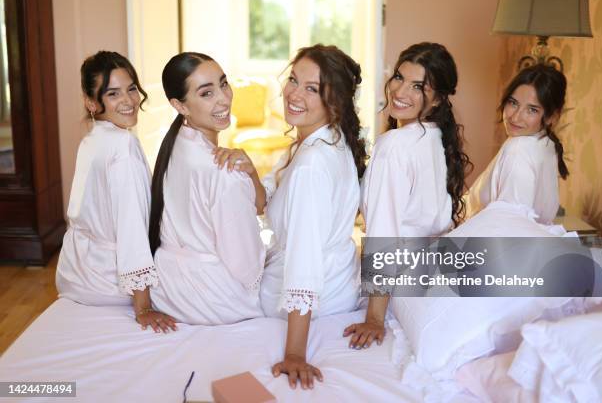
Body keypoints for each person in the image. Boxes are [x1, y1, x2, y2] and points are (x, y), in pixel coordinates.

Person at [215, 44, 366, 389]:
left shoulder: (311, 166)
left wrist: (295, 353)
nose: (294, 94)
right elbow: (266, 201)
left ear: (335, 101)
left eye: (312, 89)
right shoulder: (323, 140)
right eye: (294, 80)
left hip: (310, 294)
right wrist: (251, 172)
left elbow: (304, 257)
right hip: (339, 281)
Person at [343, 42, 471, 349]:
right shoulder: (436, 137)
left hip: (403, 284)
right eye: (399, 78)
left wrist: (374, 317)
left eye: (418, 87)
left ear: (438, 98)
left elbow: (384, 234)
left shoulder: (395, 145)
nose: (400, 92)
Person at [56, 51, 176, 333]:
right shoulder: (122, 146)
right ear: (91, 102)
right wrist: (144, 306)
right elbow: (131, 227)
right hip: (109, 282)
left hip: (74, 273)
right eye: (113, 94)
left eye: (131, 88)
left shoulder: (93, 139)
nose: (129, 101)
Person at [148, 52, 265, 325]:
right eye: (207, 93)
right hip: (213, 299)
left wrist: (253, 174)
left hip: (168, 288)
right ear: (180, 106)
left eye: (223, 84)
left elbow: (259, 204)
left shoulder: (175, 144)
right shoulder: (223, 172)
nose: (224, 98)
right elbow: (245, 265)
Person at [465, 64, 568, 224]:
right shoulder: (545, 143)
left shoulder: (518, 149)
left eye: (532, 110)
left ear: (551, 117)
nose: (515, 117)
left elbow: (510, 227)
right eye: (513, 103)